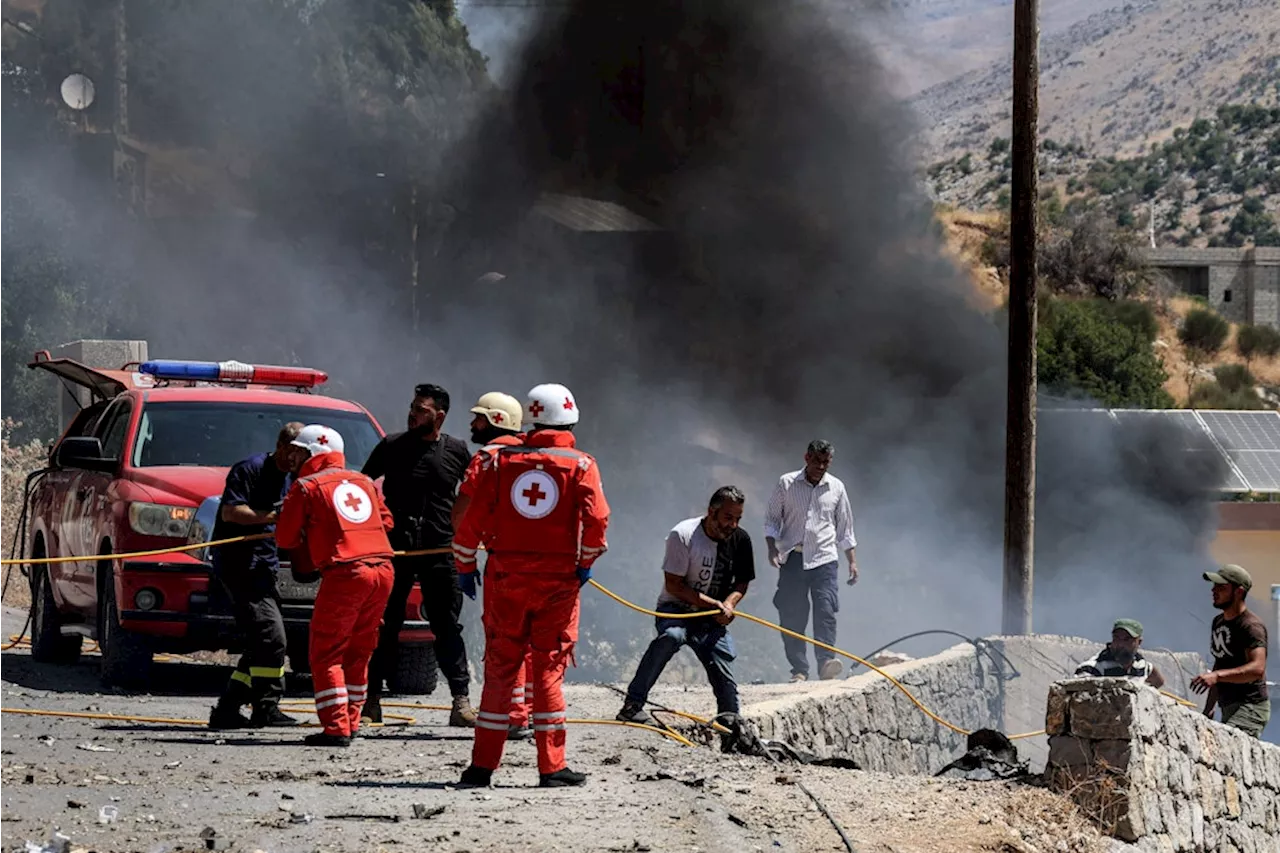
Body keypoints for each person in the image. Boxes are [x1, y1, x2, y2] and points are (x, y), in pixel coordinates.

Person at [453, 382, 610, 788]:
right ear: (571, 420)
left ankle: (481, 767)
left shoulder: (497, 463)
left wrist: (466, 565)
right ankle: (551, 766)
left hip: (504, 578)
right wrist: (584, 563)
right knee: (548, 672)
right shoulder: (581, 465)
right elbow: (596, 523)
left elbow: (471, 521)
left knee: (501, 669)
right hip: (557, 583)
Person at [361, 383, 476, 727]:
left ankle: (461, 702)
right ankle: (371, 702)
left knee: (447, 626)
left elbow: (473, 495)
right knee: (384, 625)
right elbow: (364, 484)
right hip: (395, 549)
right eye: (412, 407)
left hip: (441, 550)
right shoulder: (392, 445)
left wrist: (468, 534)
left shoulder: (457, 450)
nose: (413, 414)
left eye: (422, 410)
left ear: (439, 415)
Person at [275, 424, 396, 747]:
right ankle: (352, 720)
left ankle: (336, 727)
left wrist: (312, 532)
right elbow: (386, 522)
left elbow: (285, 538)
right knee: (359, 650)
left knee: (326, 652)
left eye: (299, 451)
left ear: (312, 453)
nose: (294, 457)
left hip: (346, 573)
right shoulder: (364, 482)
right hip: (383, 569)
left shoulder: (306, 486)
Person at [616, 486, 755, 725]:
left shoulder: (740, 539)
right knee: (670, 637)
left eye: (737, 519)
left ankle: (730, 723)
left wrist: (730, 605)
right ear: (712, 512)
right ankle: (632, 705)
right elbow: (674, 585)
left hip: (711, 617)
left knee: (722, 659)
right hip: (676, 608)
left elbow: (742, 583)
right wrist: (715, 604)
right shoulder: (682, 535)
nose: (732, 525)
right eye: (728, 518)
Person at [207, 422, 305, 730]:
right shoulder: (249, 469)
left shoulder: (293, 476)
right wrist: (275, 518)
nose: (297, 459)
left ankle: (228, 708)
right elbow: (230, 513)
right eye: (295, 452)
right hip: (240, 565)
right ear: (282, 447)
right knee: (272, 638)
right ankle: (266, 707)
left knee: (260, 641)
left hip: (266, 564)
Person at [452, 391, 535, 742]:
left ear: (497, 421)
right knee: (534, 640)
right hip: (547, 564)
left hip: (505, 563)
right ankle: (530, 712)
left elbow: (464, 513)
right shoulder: (539, 456)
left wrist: (465, 558)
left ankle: (513, 716)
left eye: (480, 418)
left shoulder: (487, 459)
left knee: (505, 638)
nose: (473, 424)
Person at [764, 439, 858, 682]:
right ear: (807, 458)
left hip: (824, 558)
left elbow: (845, 528)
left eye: (826, 462)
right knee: (792, 613)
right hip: (793, 557)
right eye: (817, 461)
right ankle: (799, 670)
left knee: (826, 608)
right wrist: (771, 549)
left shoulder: (836, 487)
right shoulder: (787, 483)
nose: (821, 466)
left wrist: (852, 562)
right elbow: (772, 520)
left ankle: (826, 661)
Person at [1191, 564, 1270, 739]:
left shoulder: (1251, 626)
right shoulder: (1218, 622)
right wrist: (1209, 708)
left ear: (1239, 592)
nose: (1214, 591)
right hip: (1227, 706)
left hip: (1251, 707)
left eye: (1222, 587)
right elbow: (1220, 663)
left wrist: (1216, 676)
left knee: (1227, 745)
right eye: (1214, 586)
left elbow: (1258, 669)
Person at [1074, 619, 1165, 688]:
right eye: (1116, 638)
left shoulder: (1141, 665)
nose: (1120, 644)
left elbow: (1159, 681)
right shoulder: (1091, 668)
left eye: (1127, 639)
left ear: (1139, 642)